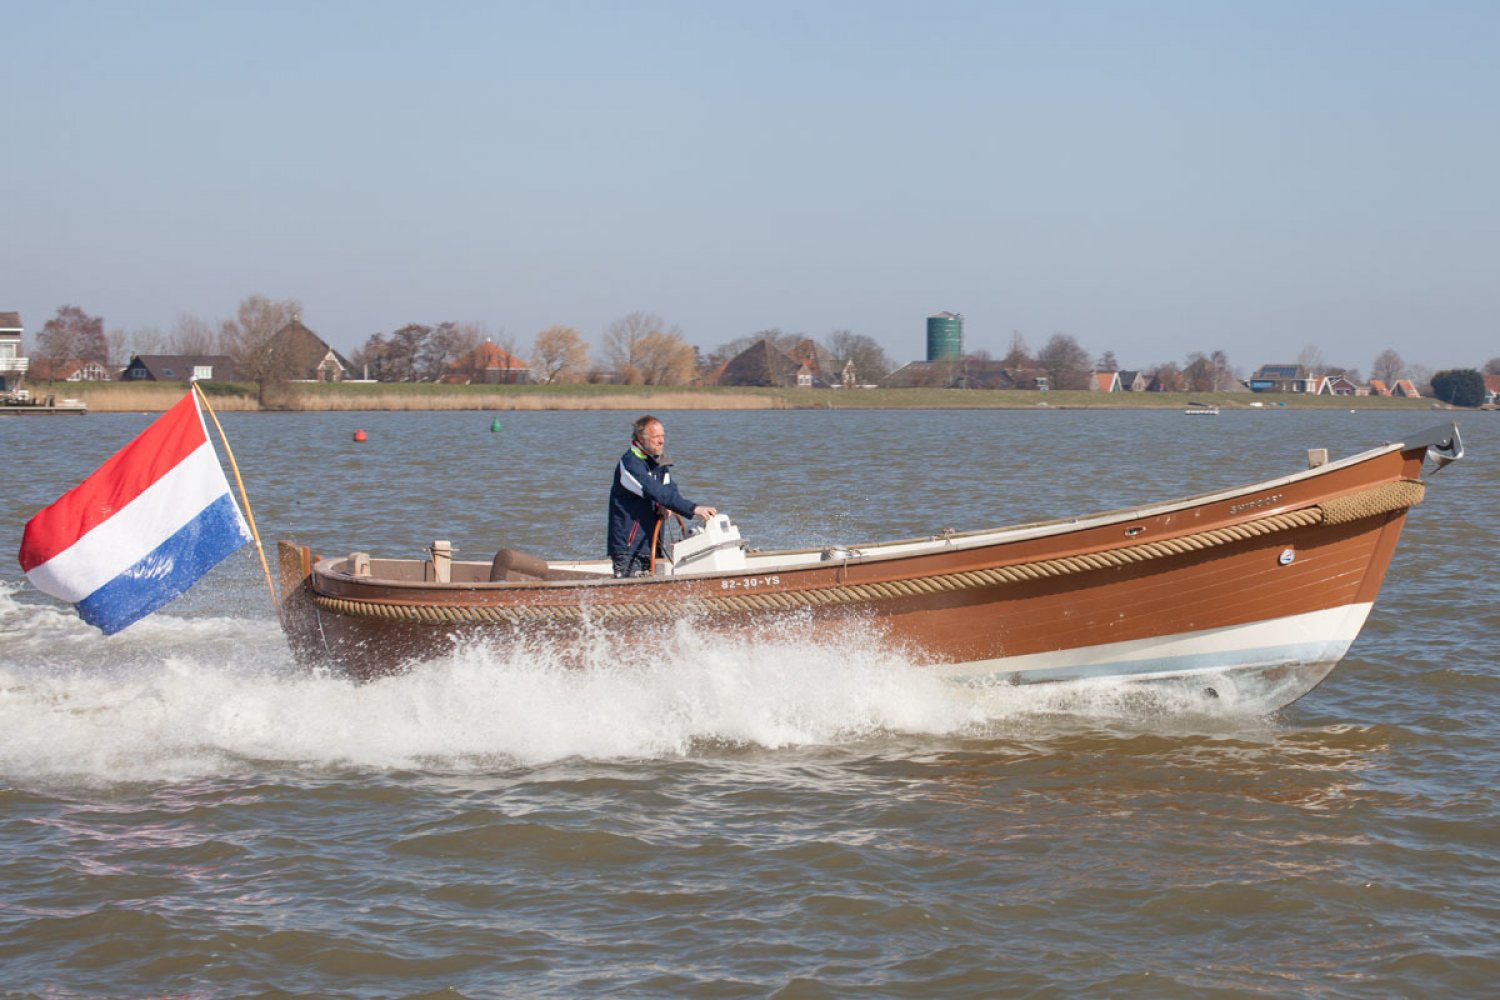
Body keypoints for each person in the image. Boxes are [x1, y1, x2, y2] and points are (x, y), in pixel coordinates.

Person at [607, 414, 716, 578]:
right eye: (656, 437)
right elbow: (655, 491)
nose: (661, 441)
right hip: (628, 548)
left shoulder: (659, 464)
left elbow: (669, 491)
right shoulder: (630, 463)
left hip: (652, 544)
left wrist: (665, 506)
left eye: (662, 436)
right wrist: (694, 509)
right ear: (641, 439)